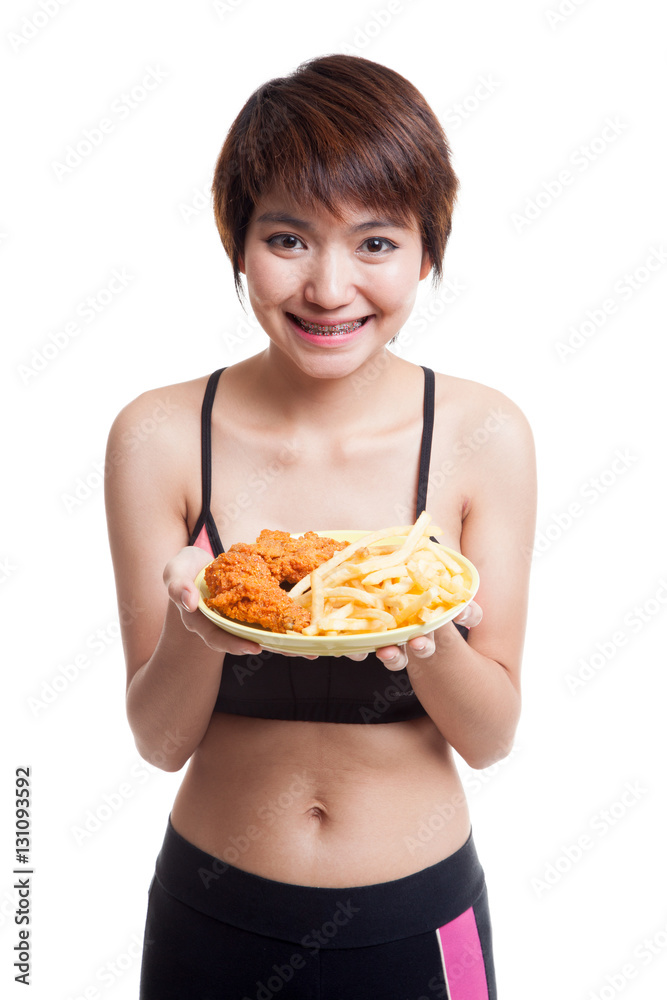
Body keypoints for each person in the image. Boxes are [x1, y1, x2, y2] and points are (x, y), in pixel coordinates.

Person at [105, 53, 536, 999]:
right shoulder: (159, 434)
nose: (329, 288)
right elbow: (158, 738)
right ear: (239, 242)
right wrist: (196, 626)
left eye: (376, 244)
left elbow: (491, 732)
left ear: (428, 251)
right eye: (289, 239)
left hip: (419, 918)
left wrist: (423, 637)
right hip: (210, 919)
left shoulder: (483, 432)